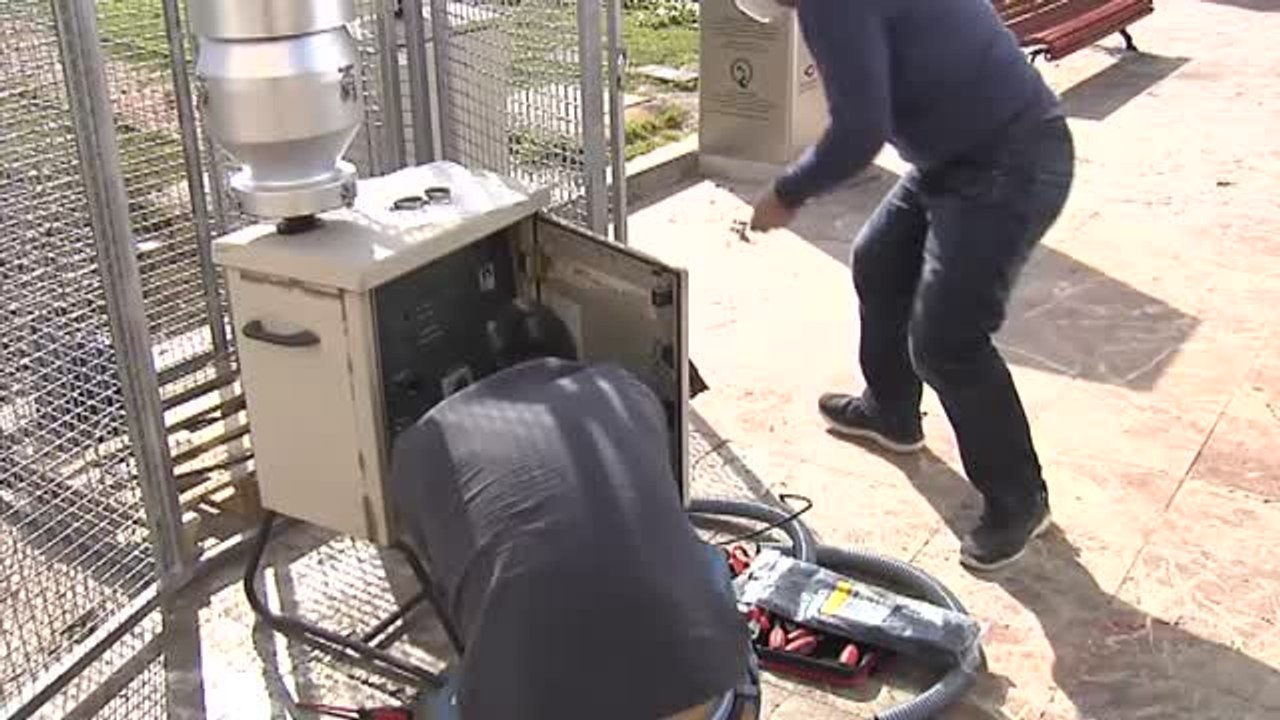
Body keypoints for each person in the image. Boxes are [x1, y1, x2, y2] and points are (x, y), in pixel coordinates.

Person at [748, 0, 1076, 572]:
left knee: (949, 341)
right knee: (879, 261)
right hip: (956, 159)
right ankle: (892, 411)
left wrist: (788, 192)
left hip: (1008, 162)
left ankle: (1021, 499)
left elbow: (860, 130)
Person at [389, 299, 758, 720]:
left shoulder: (420, 446)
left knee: (437, 699)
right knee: (703, 564)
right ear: (570, 357)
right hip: (708, 695)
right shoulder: (625, 391)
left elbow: (427, 569)